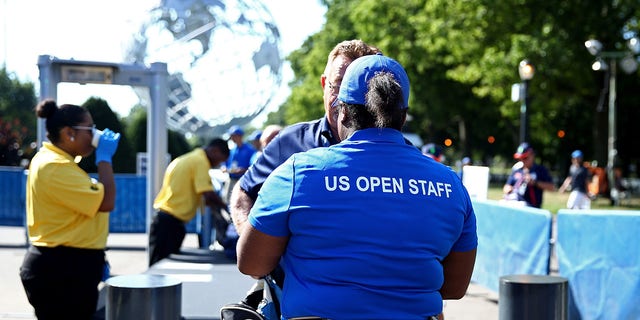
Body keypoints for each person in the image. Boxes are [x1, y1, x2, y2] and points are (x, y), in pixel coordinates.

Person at [237, 54, 478, 319]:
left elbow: (252, 264)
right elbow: (455, 287)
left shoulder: (297, 173)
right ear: (403, 115)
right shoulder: (450, 185)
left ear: (342, 110)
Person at [230, 39, 382, 234]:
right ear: (323, 84)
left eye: (359, 88)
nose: (346, 99)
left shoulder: (399, 153)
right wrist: (254, 249)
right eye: (338, 85)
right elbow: (244, 191)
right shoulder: (290, 142)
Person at [20, 99, 120, 319]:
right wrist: (104, 159)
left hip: (67, 265)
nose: (95, 135)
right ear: (69, 133)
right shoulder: (55, 166)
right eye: (90, 129)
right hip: (61, 270)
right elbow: (106, 202)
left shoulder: (57, 162)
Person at [148, 138, 230, 266]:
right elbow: (208, 193)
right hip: (168, 223)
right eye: (220, 160)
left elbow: (204, 196)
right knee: (159, 270)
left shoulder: (191, 158)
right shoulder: (200, 161)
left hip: (169, 222)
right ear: (215, 151)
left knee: (162, 269)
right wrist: (228, 208)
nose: (218, 164)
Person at [503, 142, 555, 208]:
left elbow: (552, 187)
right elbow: (507, 186)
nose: (522, 161)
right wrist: (508, 189)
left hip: (530, 206)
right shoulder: (517, 169)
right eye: (520, 158)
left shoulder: (540, 170)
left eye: (525, 158)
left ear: (532, 155)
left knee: (521, 205)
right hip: (514, 201)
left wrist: (535, 183)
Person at [223, 125, 255, 202]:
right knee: (228, 200)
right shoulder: (232, 150)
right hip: (231, 179)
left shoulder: (249, 149)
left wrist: (244, 170)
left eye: (233, 136)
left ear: (239, 136)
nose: (232, 138)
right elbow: (225, 162)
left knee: (243, 202)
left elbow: (254, 165)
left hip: (244, 180)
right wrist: (224, 167)